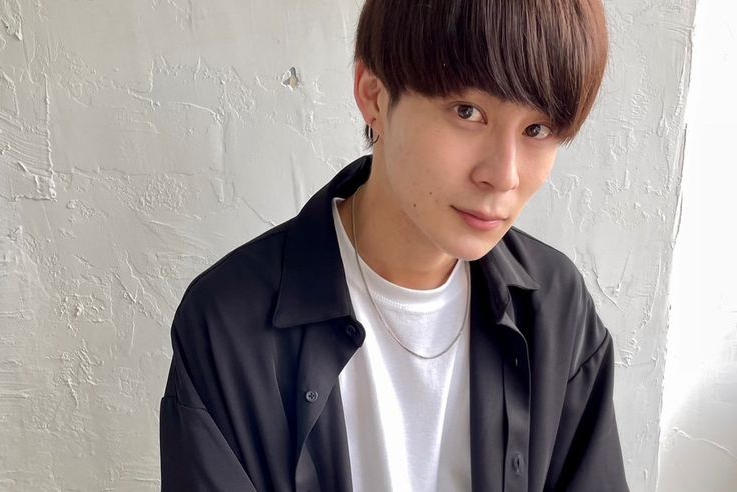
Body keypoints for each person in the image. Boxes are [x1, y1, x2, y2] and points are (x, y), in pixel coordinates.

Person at [159, 0, 630, 490]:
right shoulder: (229, 323)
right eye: (468, 112)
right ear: (375, 96)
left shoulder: (556, 309)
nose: (503, 175)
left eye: (537, 129)